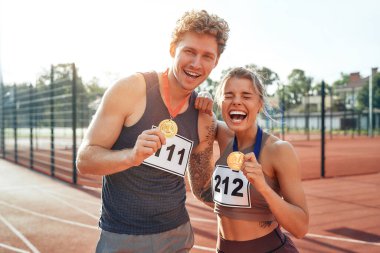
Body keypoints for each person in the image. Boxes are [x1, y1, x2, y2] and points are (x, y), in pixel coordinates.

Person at [76, 10, 229, 253]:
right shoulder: (131, 89)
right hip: (123, 238)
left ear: (215, 62)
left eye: (207, 56)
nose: (196, 63)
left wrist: (258, 202)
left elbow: (202, 188)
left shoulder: (203, 116)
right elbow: (85, 161)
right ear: (172, 49)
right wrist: (131, 156)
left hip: (177, 236)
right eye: (189, 51)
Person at [195, 67, 309, 253]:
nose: (237, 101)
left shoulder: (278, 150)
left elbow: (300, 227)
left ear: (260, 104)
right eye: (229, 95)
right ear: (221, 102)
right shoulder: (223, 135)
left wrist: (263, 186)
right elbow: (201, 117)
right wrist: (204, 95)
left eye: (246, 96)